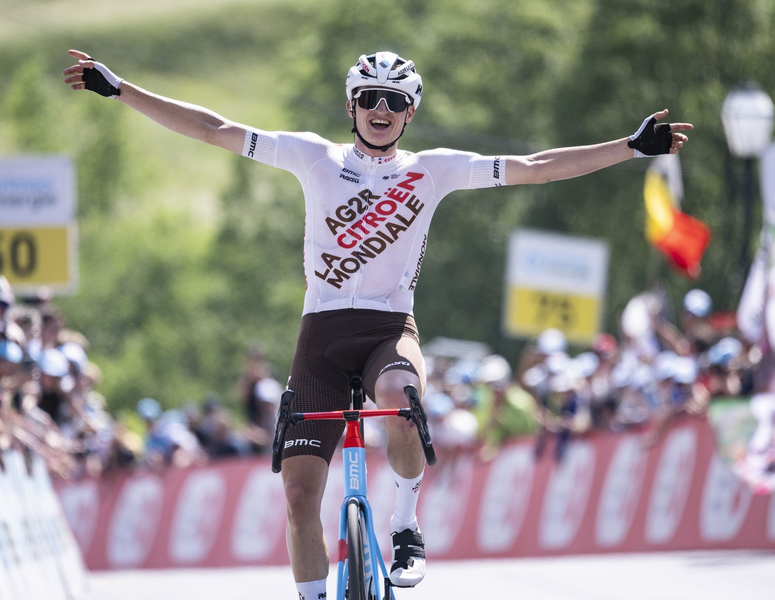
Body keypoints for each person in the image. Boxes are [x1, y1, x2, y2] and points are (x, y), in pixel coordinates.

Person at [63, 48, 692, 598]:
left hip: (389, 330)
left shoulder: (434, 169)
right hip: (322, 338)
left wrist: (628, 148)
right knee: (301, 497)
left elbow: (532, 166)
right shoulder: (312, 156)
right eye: (370, 99)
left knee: (401, 396)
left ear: (410, 111)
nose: (381, 109)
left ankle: (404, 524)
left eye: (394, 100)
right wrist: (121, 90)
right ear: (351, 105)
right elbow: (215, 128)